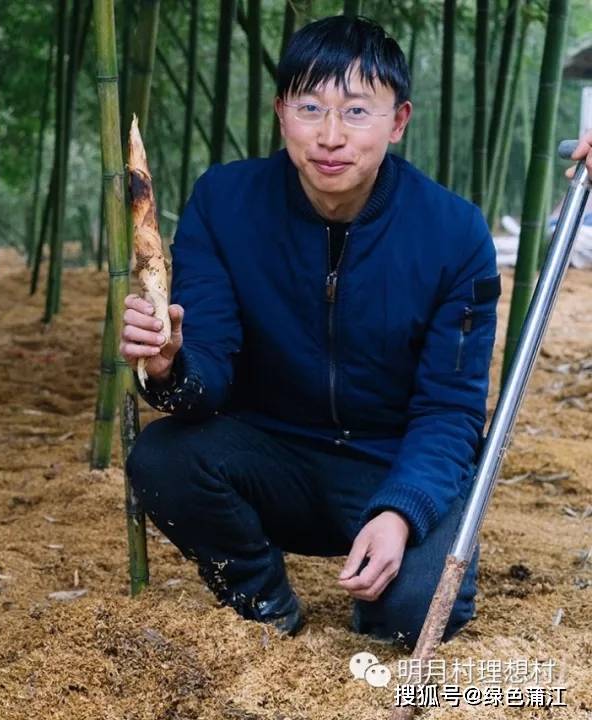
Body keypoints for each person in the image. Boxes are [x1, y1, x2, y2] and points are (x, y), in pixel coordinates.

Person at [122, 14, 592, 649]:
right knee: (162, 456)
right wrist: (170, 366)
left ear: (398, 121)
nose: (331, 136)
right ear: (281, 111)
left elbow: (449, 412)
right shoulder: (224, 203)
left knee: (421, 613)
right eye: (311, 107)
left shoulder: (454, 235)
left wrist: (401, 511)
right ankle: (263, 600)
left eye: (358, 111)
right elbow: (210, 371)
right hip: (271, 453)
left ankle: (383, 596)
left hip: (389, 460)